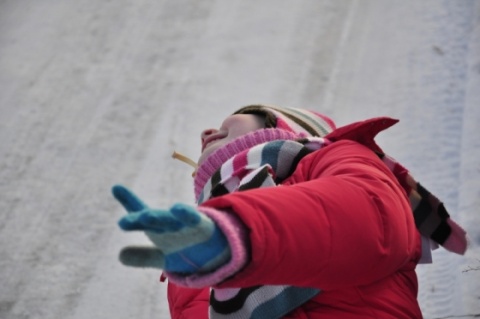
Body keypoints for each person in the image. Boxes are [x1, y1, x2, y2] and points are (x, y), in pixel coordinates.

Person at [112, 105, 467, 319]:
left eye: (236, 116)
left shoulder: (333, 158)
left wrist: (242, 233)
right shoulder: (191, 267)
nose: (206, 131)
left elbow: (367, 216)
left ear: (282, 128)